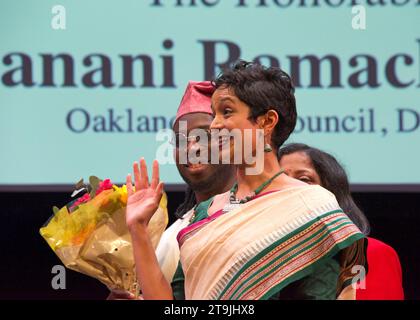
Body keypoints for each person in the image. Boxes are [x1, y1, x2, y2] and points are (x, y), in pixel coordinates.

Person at [125, 60, 367, 300]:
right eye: (214, 114)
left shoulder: (313, 206)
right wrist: (138, 229)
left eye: (227, 112)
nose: (215, 124)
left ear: (267, 122)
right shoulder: (204, 213)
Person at [108, 81, 235, 299]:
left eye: (204, 136)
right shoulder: (171, 236)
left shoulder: (253, 213)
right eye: (180, 140)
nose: (191, 148)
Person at [278, 143, 404, 300]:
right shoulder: (261, 261)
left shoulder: (370, 253)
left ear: (332, 191)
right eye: (280, 180)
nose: (289, 187)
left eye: (304, 179)